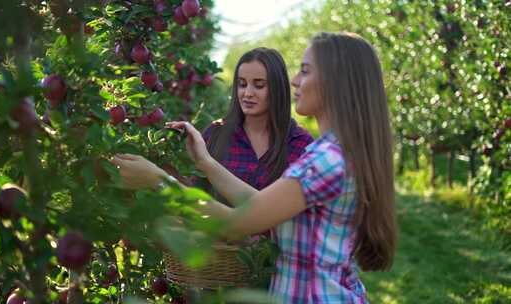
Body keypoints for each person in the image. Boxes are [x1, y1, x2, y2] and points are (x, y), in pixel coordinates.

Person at [112, 32, 397, 303]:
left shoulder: (324, 160)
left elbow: (235, 224)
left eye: (306, 71)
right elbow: (261, 207)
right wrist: (205, 162)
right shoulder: (334, 153)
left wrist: (158, 181)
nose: (295, 80)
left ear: (336, 82)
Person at [198, 47, 313, 202]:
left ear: (277, 88)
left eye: (259, 85)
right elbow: (196, 195)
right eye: (242, 84)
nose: (247, 93)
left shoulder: (301, 144)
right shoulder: (215, 134)